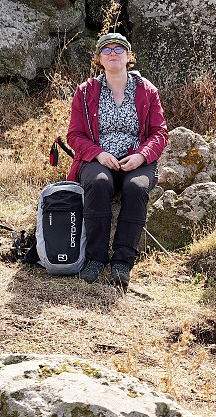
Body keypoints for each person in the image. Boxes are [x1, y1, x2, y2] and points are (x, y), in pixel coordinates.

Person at [66, 33, 168, 286]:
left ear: (128, 56)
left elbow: (159, 132)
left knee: (137, 187)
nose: (113, 53)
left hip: (135, 160)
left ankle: (122, 262)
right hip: (97, 159)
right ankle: (95, 259)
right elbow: (75, 135)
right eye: (107, 50)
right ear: (99, 59)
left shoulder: (147, 90)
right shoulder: (86, 91)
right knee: (99, 183)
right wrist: (98, 154)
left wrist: (142, 155)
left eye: (119, 49)